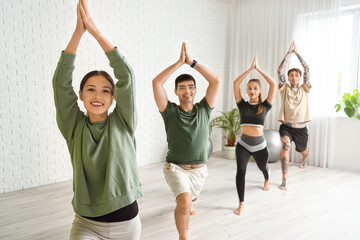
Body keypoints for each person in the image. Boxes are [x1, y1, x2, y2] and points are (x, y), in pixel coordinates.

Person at [52, 1, 143, 239]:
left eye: (105, 90)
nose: (98, 96)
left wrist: (94, 30)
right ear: (80, 95)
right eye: (90, 89)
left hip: (127, 224)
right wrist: (78, 33)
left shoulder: (124, 122)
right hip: (87, 224)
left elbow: (127, 76)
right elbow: (60, 84)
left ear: (113, 98)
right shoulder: (73, 127)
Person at [152, 43, 220, 240]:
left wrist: (191, 63)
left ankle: (188, 203)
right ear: (176, 92)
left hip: (199, 171)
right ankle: (183, 237)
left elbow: (215, 80)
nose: (187, 91)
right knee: (184, 201)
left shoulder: (204, 109)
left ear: (196, 90)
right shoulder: (170, 111)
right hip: (176, 167)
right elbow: (157, 83)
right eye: (182, 88)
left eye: (191, 87)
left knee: (191, 199)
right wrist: (179, 63)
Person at [233, 55, 276, 215]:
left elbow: (273, 83)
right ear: (246, 90)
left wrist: (258, 69)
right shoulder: (242, 105)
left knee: (262, 167)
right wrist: (249, 70)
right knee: (241, 171)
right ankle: (241, 203)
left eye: (255, 88)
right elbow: (235, 83)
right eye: (249, 88)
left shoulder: (265, 105)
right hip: (243, 145)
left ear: (260, 90)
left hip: (260, 146)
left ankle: (267, 177)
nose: (252, 91)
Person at [277, 41, 311, 191]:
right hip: (286, 127)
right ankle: (284, 180)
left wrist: (297, 53)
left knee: (302, 150)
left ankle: (304, 157)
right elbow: (279, 70)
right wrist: (288, 54)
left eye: (297, 75)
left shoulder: (305, 88)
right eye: (291, 75)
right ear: (289, 78)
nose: (294, 77)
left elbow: (307, 68)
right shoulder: (284, 88)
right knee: (285, 146)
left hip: (301, 129)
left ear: (300, 78)